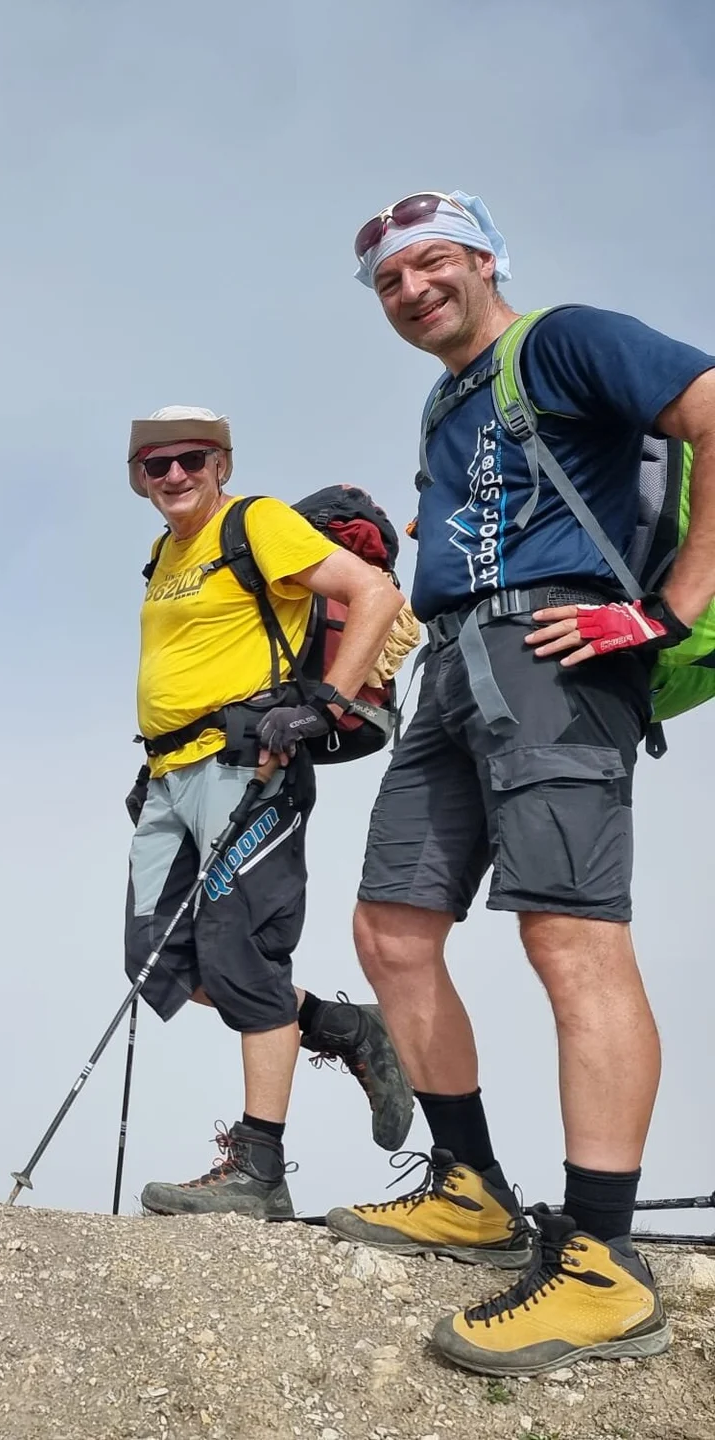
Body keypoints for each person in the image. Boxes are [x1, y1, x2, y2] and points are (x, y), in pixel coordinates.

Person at [333, 191, 715, 1376]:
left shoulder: (564, 338)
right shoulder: (448, 402)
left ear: (488, 259)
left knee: (570, 936)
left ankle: (602, 1265)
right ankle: (470, 1189)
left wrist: (671, 608)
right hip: (457, 666)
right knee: (391, 930)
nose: (413, 290)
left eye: (433, 262)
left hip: (559, 654)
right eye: (390, 281)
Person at [125, 405, 411, 1219]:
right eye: (156, 464)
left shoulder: (256, 522)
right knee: (153, 960)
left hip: (246, 767)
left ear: (221, 464)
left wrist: (322, 707)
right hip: (168, 776)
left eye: (192, 459)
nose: (174, 474)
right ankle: (345, 1027)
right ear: (139, 479)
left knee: (241, 954)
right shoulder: (165, 554)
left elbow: (374, 593)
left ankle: (259, 1169)